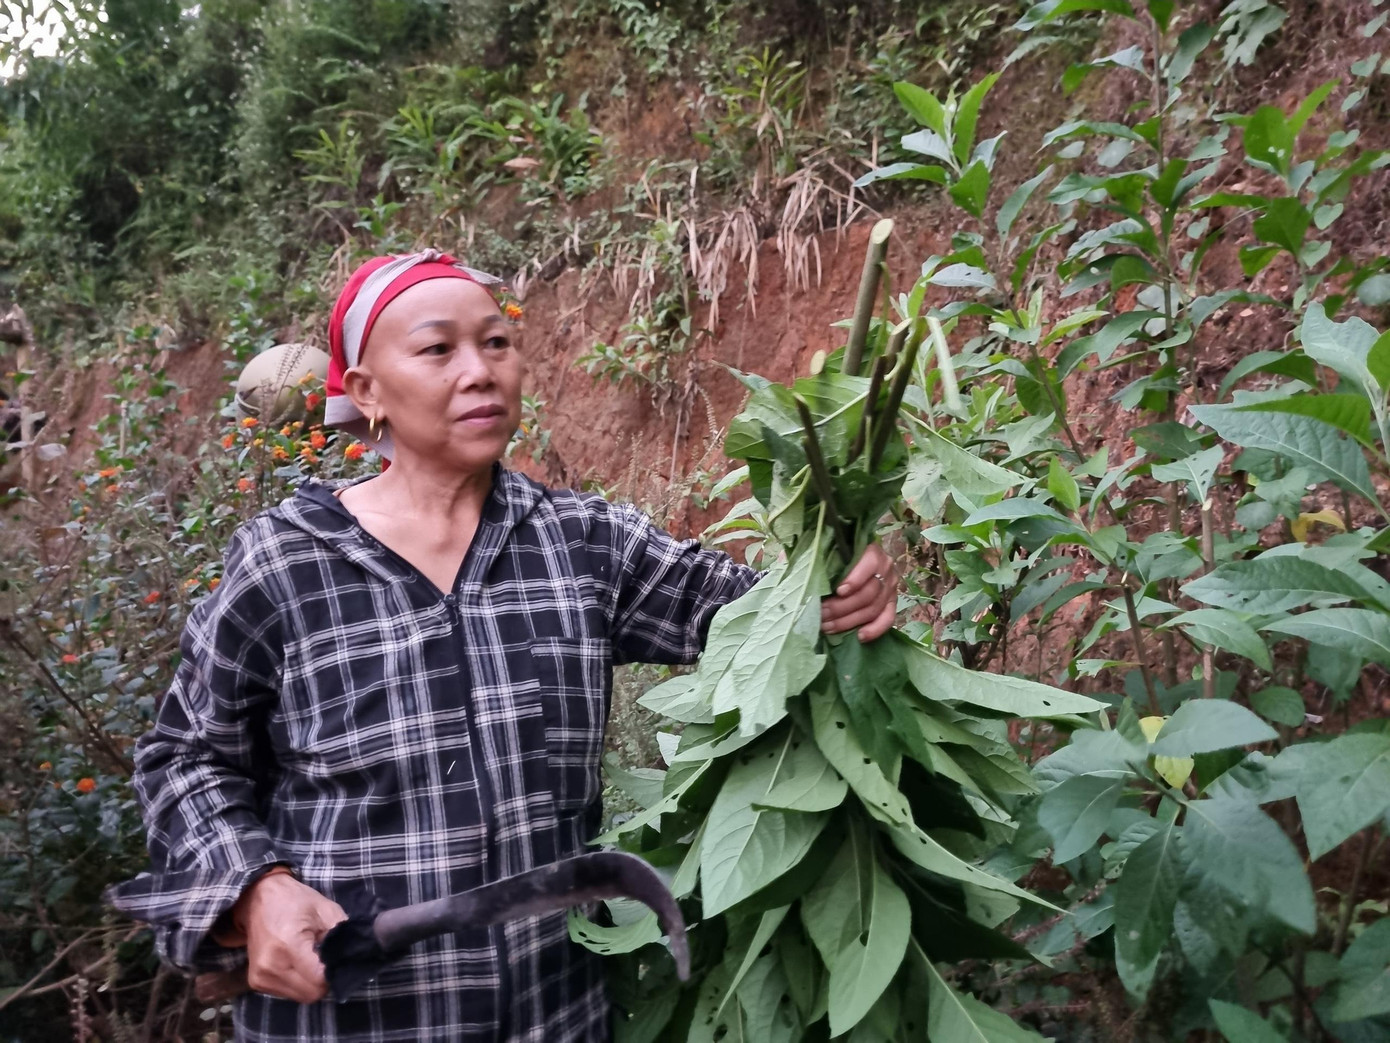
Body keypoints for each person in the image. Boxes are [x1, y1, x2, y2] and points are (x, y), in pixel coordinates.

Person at [109, 250, 898, 1042]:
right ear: (366, 393)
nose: (480, 370)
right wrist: (257, 887)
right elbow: (185, 757)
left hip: (555, 1016)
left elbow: (760, 613)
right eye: (437, 348)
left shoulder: (582, 542)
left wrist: (836, 572)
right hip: (355, 1019)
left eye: (496, 342)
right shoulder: (287, 562)